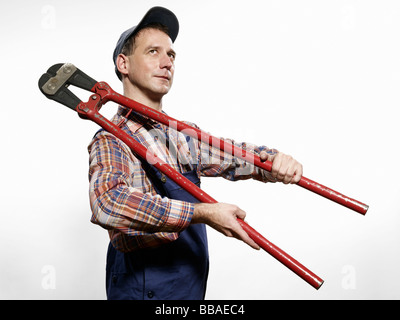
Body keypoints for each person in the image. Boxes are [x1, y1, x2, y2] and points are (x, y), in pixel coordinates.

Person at [88, 6, 303, 300]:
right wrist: (202, 213)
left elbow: (231, 155)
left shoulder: (180, 134)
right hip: (143, 288)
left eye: (171, 55)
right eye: (153, 52)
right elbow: (108, 203)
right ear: (123, 64)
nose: (167, 63)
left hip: (189, 286)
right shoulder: (111, 138)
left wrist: (273, 160)